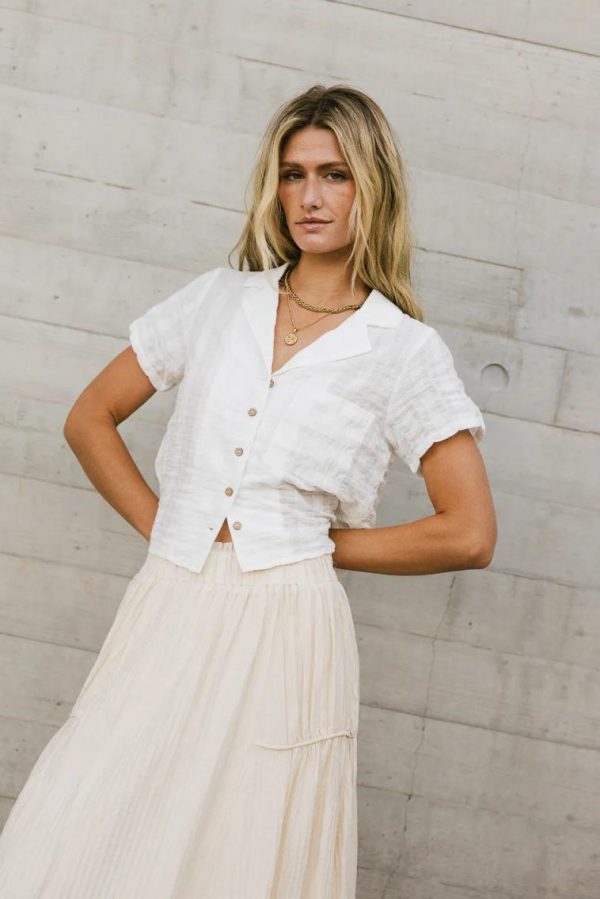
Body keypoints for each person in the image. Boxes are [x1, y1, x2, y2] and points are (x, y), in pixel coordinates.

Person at [0, 83, 496, 897]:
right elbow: (90, 416)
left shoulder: (403, 350)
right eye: (294, 174)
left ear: (372, 186)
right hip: (171, 597)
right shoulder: (220, 299)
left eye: (334, 174)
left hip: (289, 626)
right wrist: (166, 526)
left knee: (244, 842)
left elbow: (469, 532)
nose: (310, 197)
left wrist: (314, 546)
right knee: (93, 812)